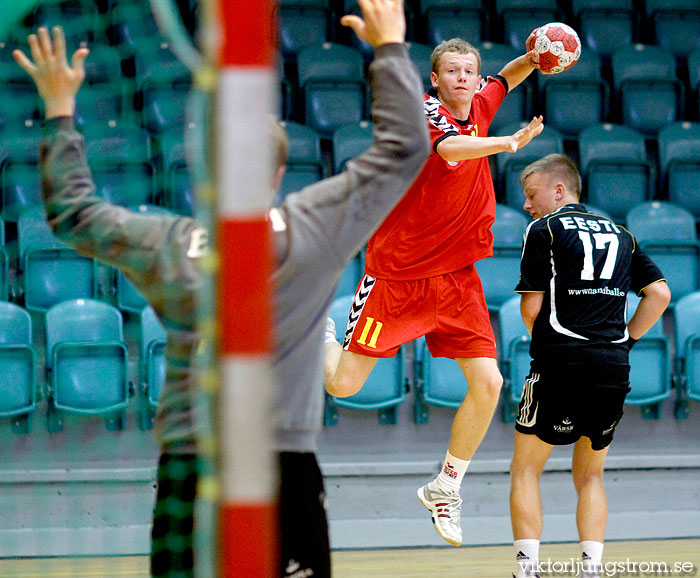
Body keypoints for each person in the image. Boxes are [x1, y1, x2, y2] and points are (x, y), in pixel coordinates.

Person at [14, 0, 429, 575]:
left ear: (205, 168)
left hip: (191, 468)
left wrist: (60, 109)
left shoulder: (169, 244)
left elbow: (73, 213)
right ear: (281, 174)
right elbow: (406, 147)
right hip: (282, 465)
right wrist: (389, 46)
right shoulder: (314, 227)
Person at [324, 36, 543, 546]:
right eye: (454, 71)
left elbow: (505, 79)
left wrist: (532, 60)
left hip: (457, 276)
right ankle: (321, 337)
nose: (465, 78)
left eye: (471, 70)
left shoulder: (482, 99)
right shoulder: (426, 115)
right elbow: (450, 149)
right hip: (398, 274)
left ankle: (446, 487)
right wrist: (505, 145)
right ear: (436, 80)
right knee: (344, 385)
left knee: (489, 384)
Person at [509, 154, 671, 578]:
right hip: (612, 366)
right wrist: (627, 340)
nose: (527, 205)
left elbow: (531, 307)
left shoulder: (543, 228)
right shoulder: (623, 233)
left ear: (558, 190)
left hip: (560, 360)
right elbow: (659, 295)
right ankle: (592, 570)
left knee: (526, 467)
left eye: (531, 194)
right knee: (591, 476)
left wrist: (547, 342)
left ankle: (528, 571)